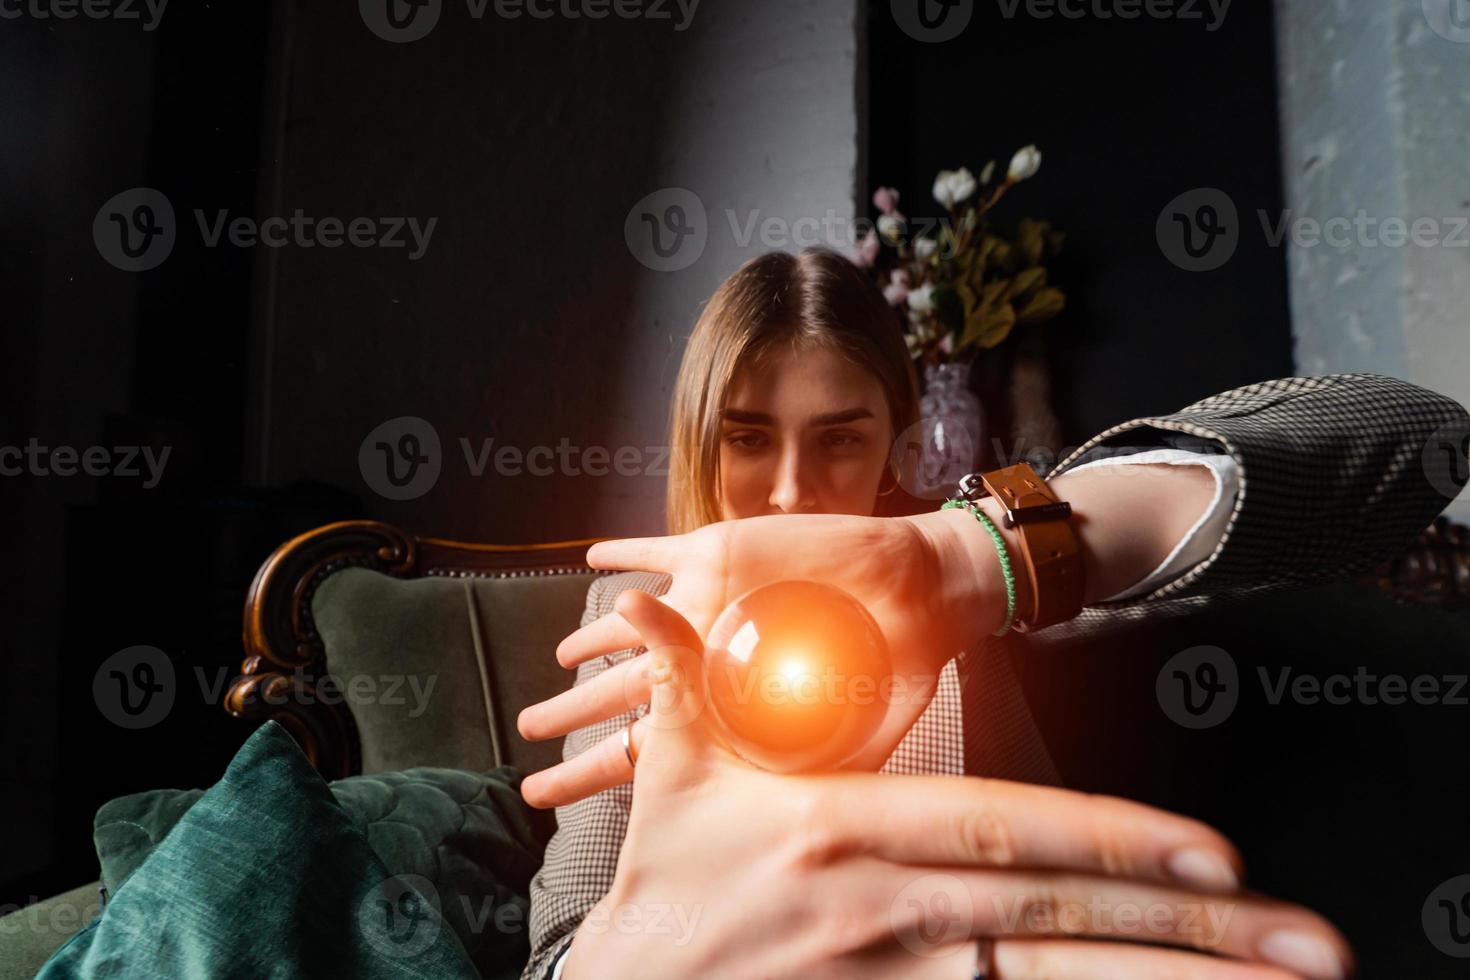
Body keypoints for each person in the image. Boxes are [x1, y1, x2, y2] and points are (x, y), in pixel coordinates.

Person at [516, 249, 1468, 978]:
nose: (792, 494)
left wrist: (971, 561)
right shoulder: (629, 623)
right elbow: (556, 948)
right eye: (748, 440)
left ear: (897, 436)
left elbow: (1417, 438)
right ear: (695, 438)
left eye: (840, 439)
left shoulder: (984, 575)